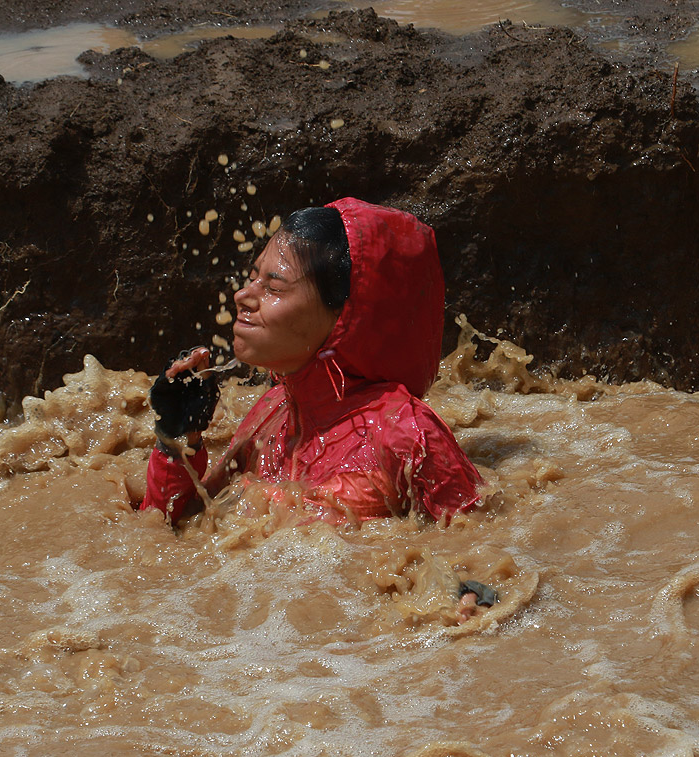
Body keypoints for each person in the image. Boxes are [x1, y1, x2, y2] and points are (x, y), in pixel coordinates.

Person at [144, 198, 488, 620]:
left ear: (346, 314)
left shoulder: (407, 431)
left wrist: (462, 595)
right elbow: (170, 531)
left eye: (273, 288)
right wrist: (178, 441)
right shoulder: (271, 410)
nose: (242, 296)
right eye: (252, 280)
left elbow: (483, 547)